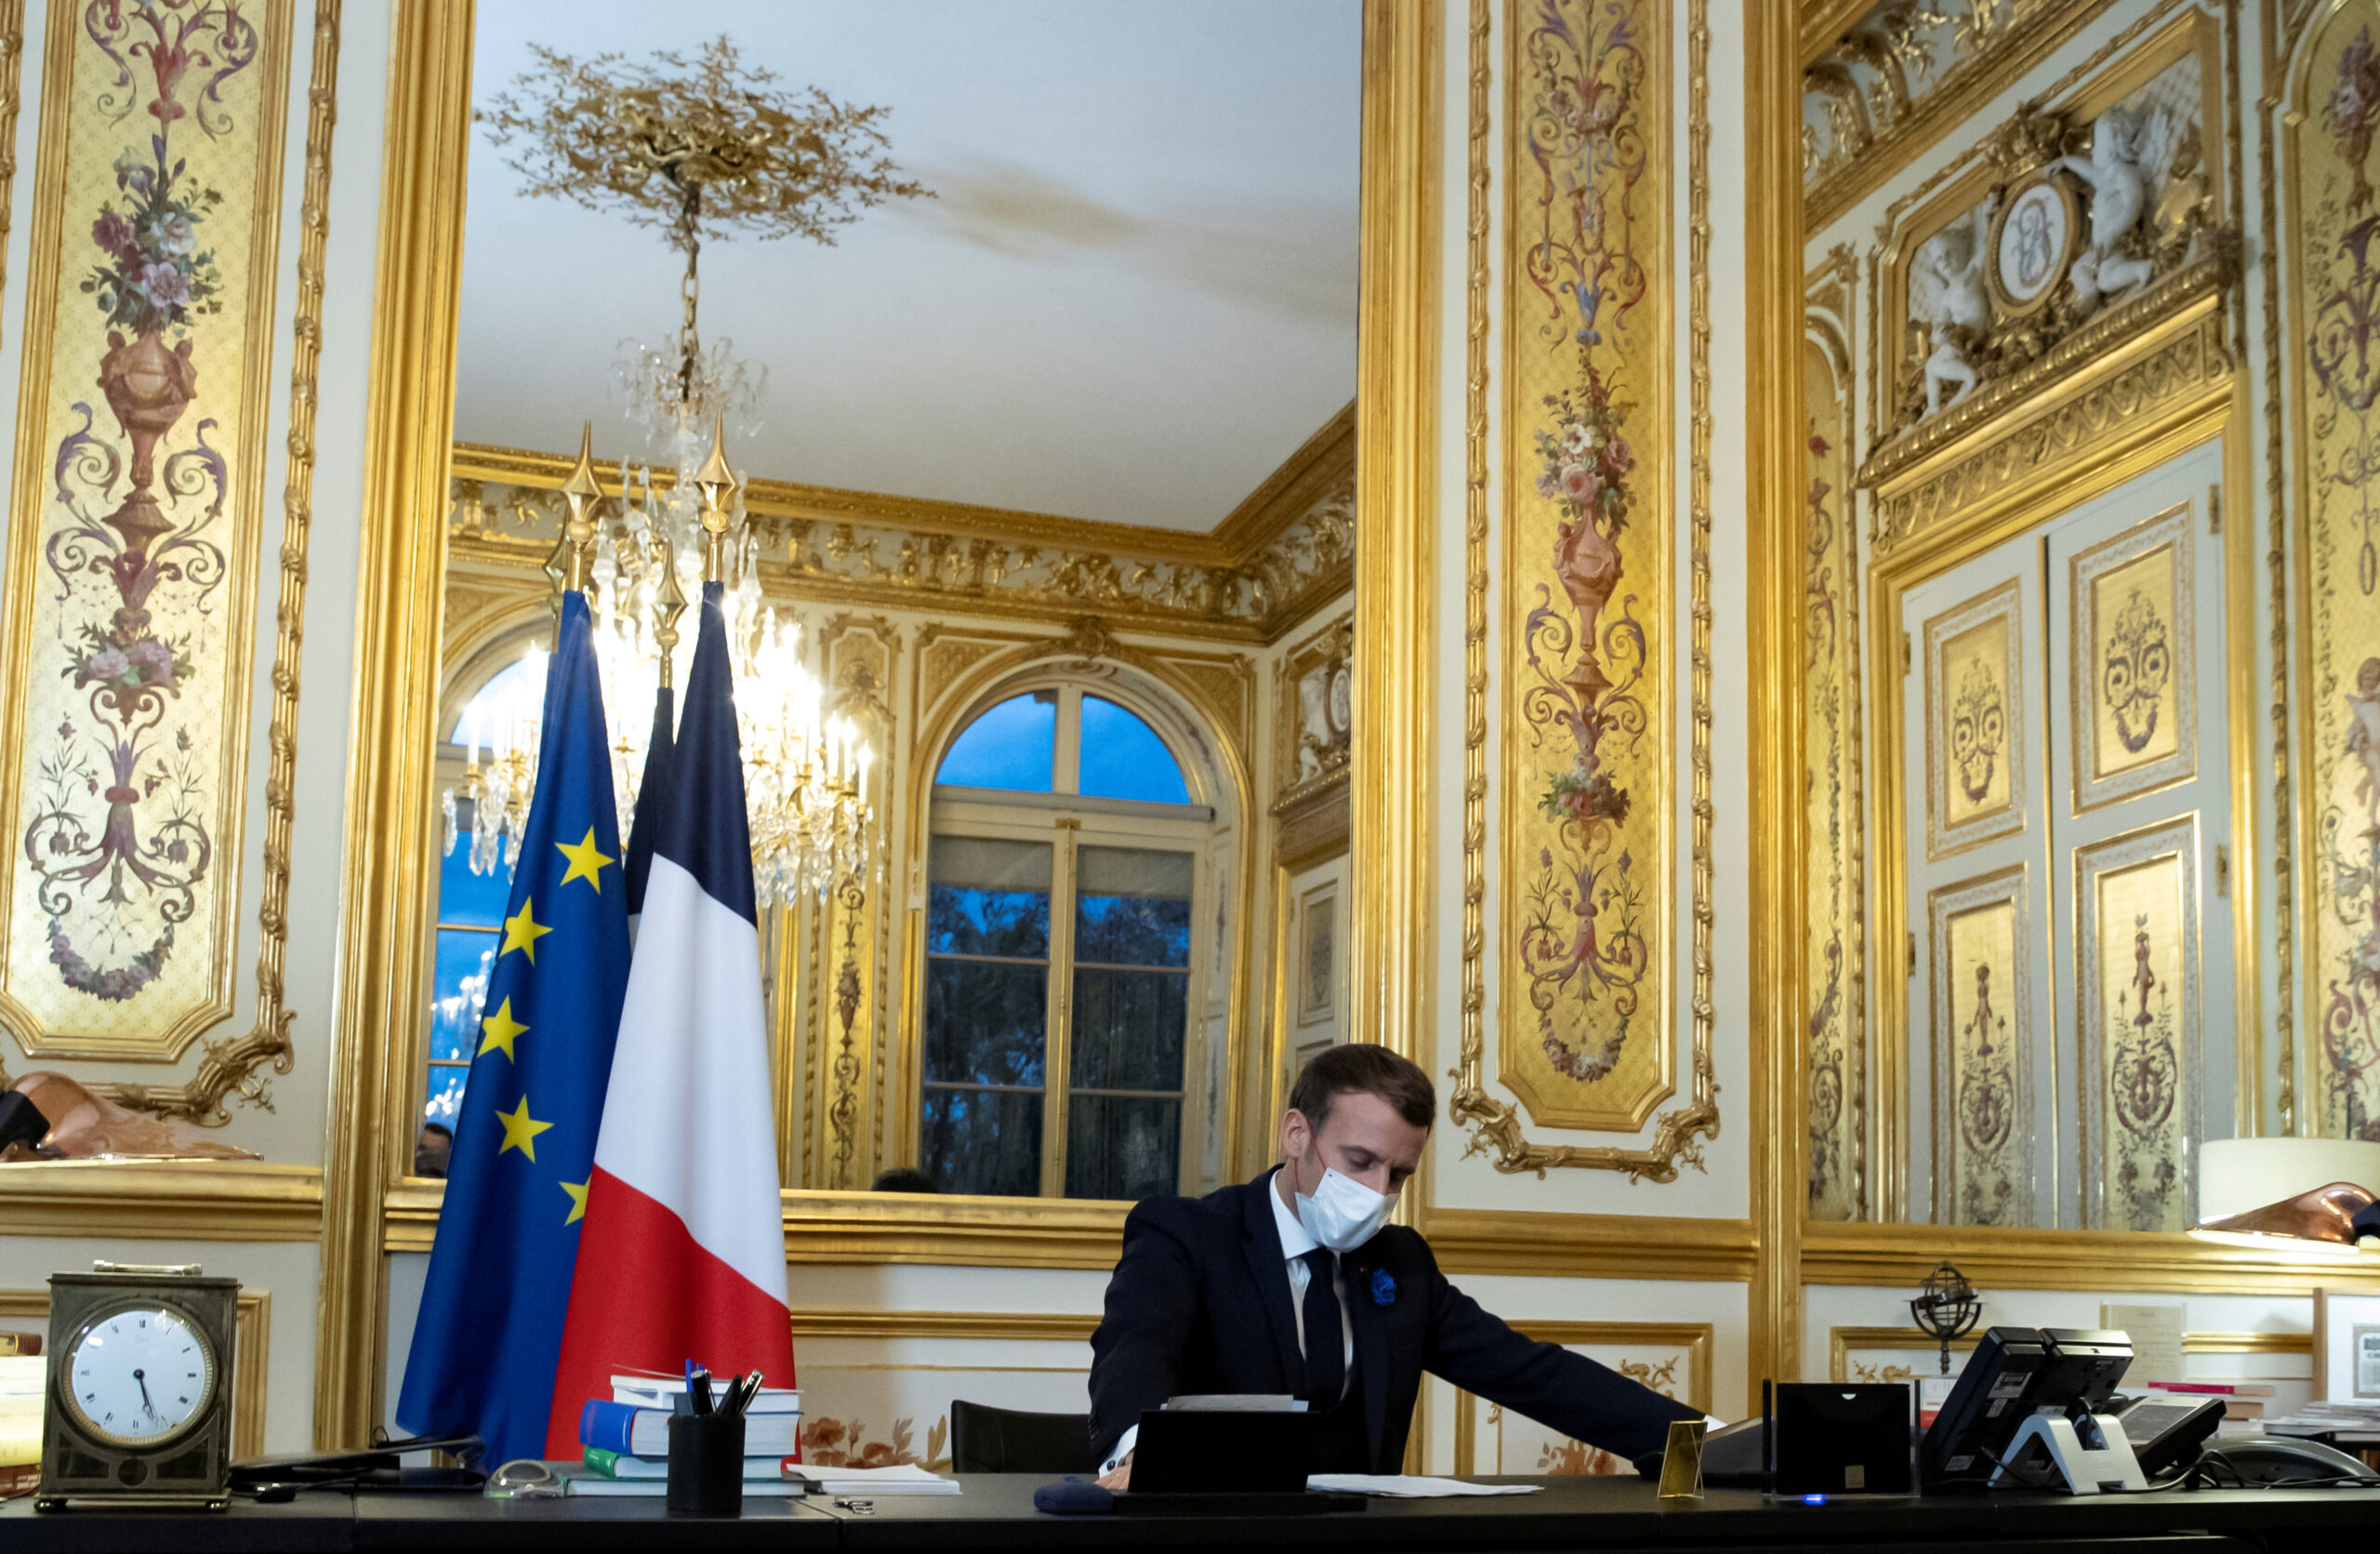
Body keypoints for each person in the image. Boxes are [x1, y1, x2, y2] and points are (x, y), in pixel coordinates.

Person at [1089, 1043, 1701, 1485]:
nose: (1377, 1191)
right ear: (1296, 1134)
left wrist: (1703, 1445)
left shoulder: (1400, 1262)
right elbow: (1134, 1351)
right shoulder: (1188, 1234)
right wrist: (1141, 1455)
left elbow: (1532, 1373)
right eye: (1359, 1161)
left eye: (1398, 1174)